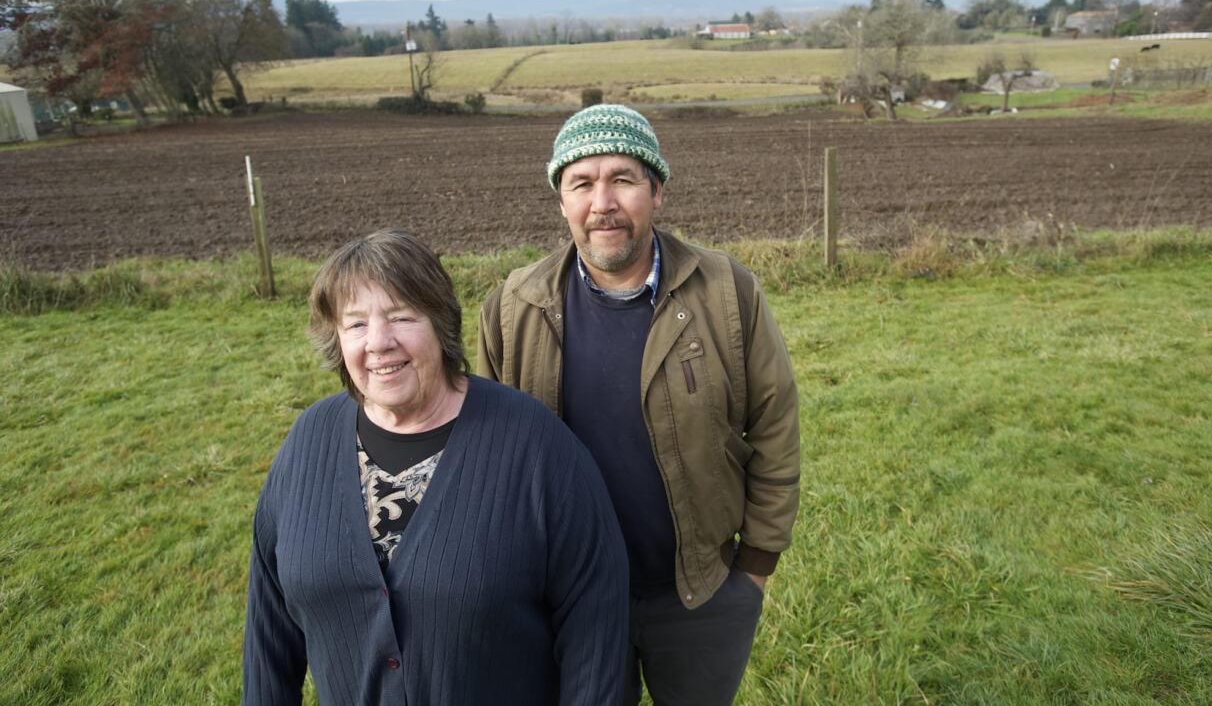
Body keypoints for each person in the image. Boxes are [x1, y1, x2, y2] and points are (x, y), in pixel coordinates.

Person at [476, 104, 800, 705]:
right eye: (582, 183)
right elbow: (486, 464)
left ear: (657, 191)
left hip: (700, 593)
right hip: (567, 601)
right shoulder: (511, 308)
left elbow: (775, 426)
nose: (603, 202)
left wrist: (753, 568)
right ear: (562, 200)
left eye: (622, 179)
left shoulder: (728, 292)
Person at [243, 229, 628, 706]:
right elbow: (269, 630)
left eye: (401, 317)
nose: (379, 343)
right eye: (356, 324)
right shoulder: (307, 443)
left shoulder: (538, 449)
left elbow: (596, 632)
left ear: (440, 323)